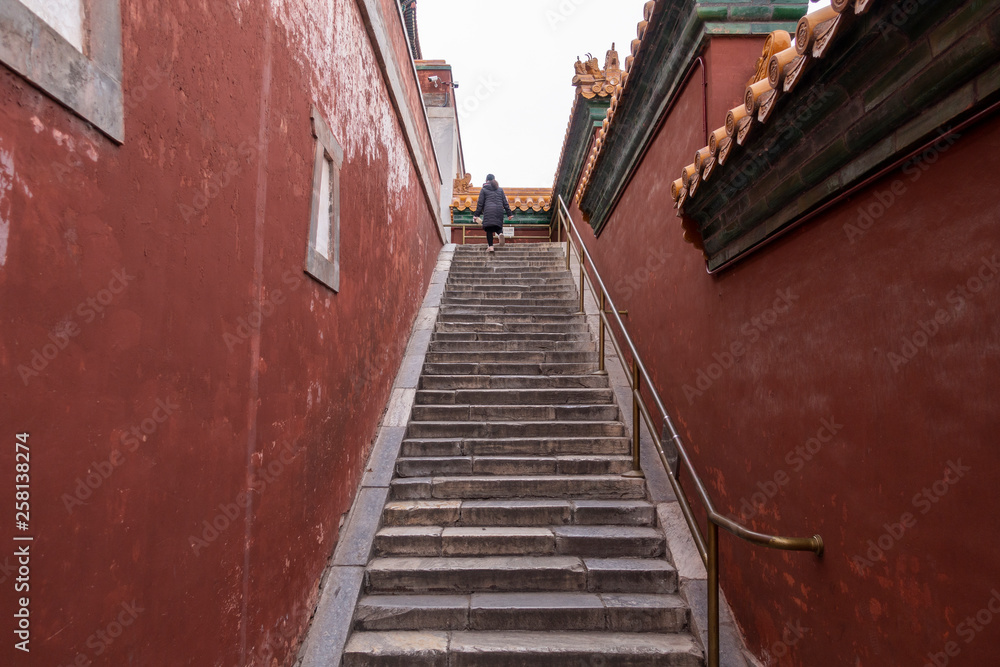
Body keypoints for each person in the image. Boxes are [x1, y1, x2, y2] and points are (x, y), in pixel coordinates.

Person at [473, 174, 513, 252]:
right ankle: (500, 234)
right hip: (499, 210)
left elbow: (480, 204)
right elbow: (505, 203)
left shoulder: (484, 189)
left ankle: (491, 247)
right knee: (498, 226)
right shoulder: (500, 190)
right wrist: (509, 214)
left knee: (489, 229)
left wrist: (476, 215)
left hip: (489, 211)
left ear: (486, 180)